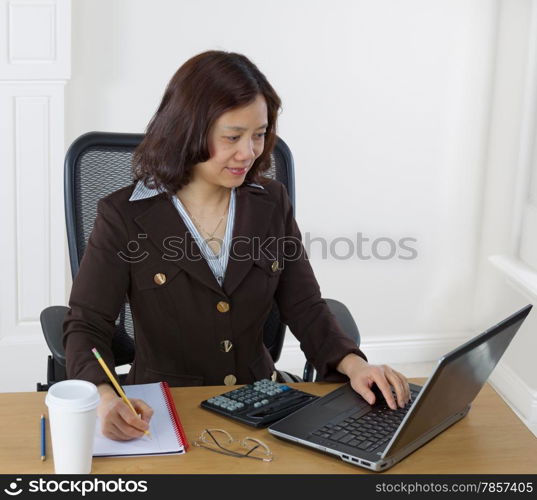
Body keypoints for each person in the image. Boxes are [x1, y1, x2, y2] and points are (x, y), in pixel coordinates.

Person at [63, 50, 410, 441]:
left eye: (259, 135)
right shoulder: (123, 215)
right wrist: (105, 397)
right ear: (188, 131)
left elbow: (305, 305)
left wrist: (353, 365)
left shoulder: (271, 202)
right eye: (232, 137)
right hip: (164, 412)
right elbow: (86, 326)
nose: (249, 153)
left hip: (262, 404)